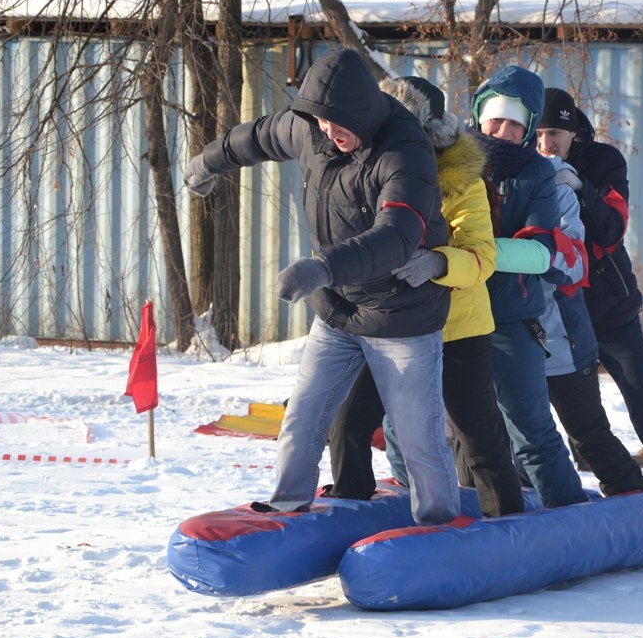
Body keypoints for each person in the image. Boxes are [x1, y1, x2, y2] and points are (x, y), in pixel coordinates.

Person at [182, 49, 460, 526]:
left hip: (401, 316)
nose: (332, 132)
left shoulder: (405, 150)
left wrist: (323, 267)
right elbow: (257, 137)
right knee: (303, 419)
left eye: (341, 124)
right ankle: (288, 506)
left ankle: (438, 524)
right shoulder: (310, 127)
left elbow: (397, 236)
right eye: (324, 122)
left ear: (365, 111)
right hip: (337, 312)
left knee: (418, 438)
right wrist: (207, 163)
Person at [327, 75, 526, 518]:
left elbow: (482, 256)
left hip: (456, 326)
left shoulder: (460, 178)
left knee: (477, 435)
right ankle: (349, 511)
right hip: (388, 323)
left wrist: (437, 263)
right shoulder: (363, 167)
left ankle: (507, 520)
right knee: (349, 425)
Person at [537, 87, 643, 489]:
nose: (545, 143)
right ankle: (599, 494)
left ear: (573, 132)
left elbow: (612, 229)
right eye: (538, 133)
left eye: (555, 133)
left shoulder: (604, 161)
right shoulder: (525, 163)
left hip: (611, 309)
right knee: (581, 416)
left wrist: (578, 187)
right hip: (560, 317)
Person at [468, 64, 590, 508]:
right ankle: (450, 511)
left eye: (515, 122)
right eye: (495, 118)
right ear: (479, 114)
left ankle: (570, 515)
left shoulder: (538, 174)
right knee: (433, 428)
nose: (502, 130)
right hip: (452, 315)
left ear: (529, 126)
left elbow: (539, 253)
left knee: (531, 426)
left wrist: (467, 252)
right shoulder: (448, 159)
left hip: (510, 316)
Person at [535, 149, 643, 496]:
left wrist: (519, 251)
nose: (546, 141)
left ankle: (634, 499)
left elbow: (575, 259)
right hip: (506, 333)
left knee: (587, 433)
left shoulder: (557, 185)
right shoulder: (481, 180)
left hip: (563, 335)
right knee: (514, 434)